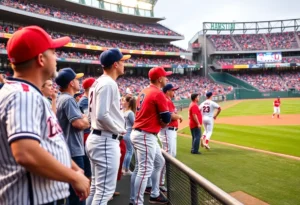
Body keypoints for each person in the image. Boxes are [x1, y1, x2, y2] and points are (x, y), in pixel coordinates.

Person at [0, 26, 90, 205]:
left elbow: (46, 143)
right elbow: (26, 152)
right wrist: (73, 176)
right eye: (53, 52)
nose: (56, 57)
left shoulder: (25, 92)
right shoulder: (23, 95)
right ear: (41, 59)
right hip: (27, 198)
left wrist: (72, 167)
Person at [86, 48, 130, 205]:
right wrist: (119, 130)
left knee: (97, 189)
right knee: (105, 192)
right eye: (123, 61)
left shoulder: (99, 81)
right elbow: (101, 115)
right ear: (116, 64)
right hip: (104, 139)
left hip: (98, 137)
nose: (125, 64)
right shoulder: (108, 83)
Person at [130, 66, 172, 205]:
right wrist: (163, 121)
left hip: (142, 133)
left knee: (159, 162)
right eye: (165, 76)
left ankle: (154, 194)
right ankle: (136, 202)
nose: (167, 78)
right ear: (160, 79)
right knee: (144, 170)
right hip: (145, 135)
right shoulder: (157, 93)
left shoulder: (144, 90)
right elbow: (166, 118)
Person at [55, 68, 91, 205]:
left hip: (66, 149)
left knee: (67, 195)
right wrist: (86, 120)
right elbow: (78, 123)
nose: (78, 81)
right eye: (76, 79)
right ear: (71, 83)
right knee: (77, 196)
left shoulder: (60, 98)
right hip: (73, 151)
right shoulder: (69, 100)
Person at [158, 83, 183, 189]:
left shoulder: (168, 100)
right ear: (167, 91)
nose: (174, 92)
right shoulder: (166, 100)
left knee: (171, 155)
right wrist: (179, 116)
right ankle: (160, 183)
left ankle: (161, 180)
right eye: (173, 90)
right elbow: (169, 115)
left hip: (170, 131)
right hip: (167, 131)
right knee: (167, 156)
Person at [122, 95, 137, 175]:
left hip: (125, 133)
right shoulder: (130, 112)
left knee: (127, 151)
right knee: (130, 151)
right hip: (129, 133)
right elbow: (134, 124)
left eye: (125, 101)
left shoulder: (125, 112)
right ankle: (126, 169)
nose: (123, 103)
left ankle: (124, 168)